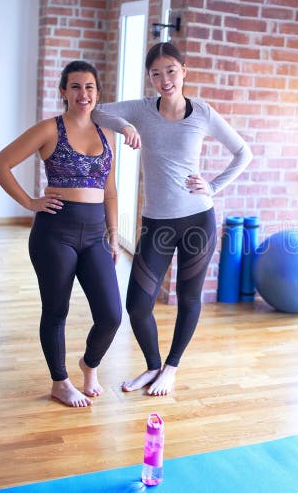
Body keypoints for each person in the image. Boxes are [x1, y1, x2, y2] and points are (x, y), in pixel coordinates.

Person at [92, 42, 252, 396]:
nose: (165, 79)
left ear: (184, 71)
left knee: (189, 298)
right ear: (150, 78)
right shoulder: (142, 109)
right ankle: (152, 366)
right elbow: (97, 111)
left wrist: (213, 186)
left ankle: (171, 368)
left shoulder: (203, 113)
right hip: (157, 224)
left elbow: (243, 152)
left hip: (198, 219)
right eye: (156, 74)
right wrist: (125, 127)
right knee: (137, 304)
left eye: (171, 71)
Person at [0, 60, 140, 407]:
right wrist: (30, 201)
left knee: (111, 314)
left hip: (95, 236)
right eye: (75, 87)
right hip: (54, 233)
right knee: (56, 311)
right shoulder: (49, 129)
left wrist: (114, 235)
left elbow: (111, 191)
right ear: (63, 92)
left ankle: (89, 364)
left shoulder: (107, 134)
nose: (83, 94)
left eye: (89, 87)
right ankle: (59, 381)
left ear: (97, 93)